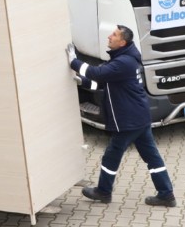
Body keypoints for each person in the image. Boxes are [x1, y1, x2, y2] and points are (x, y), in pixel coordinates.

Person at [66, 25, 176, 207]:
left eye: (114, 35)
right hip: (139, 117)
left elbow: (97, 73)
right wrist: (82, 82)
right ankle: (166, 194)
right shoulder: (124, 59)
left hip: (129, 120)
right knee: (152, 157)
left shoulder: (124, 62)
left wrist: (74, 62)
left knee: (111, 156)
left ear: (122, 42)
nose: (109, 36)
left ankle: (103, 191)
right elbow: (104, 83)